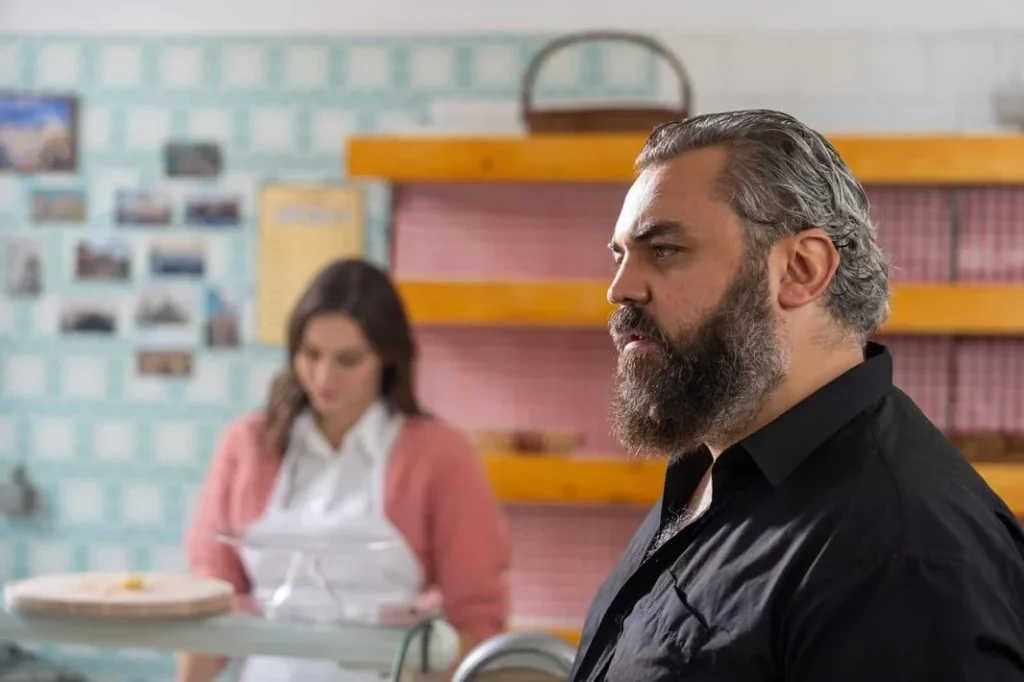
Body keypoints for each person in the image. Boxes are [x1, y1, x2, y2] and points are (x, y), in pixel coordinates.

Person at [571, 109, 1024, 681]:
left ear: (802, 269)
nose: (620, 289)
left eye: (663, 250)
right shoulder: (711, 468)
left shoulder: (902, 553)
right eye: (620, 255)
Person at [178, 258, 511, 682]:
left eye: (348, 360)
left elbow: (478, 620)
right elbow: (208, 602)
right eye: (310, 354)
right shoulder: (246, 445)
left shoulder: (441, 456)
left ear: (386, 358)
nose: (323, 376)